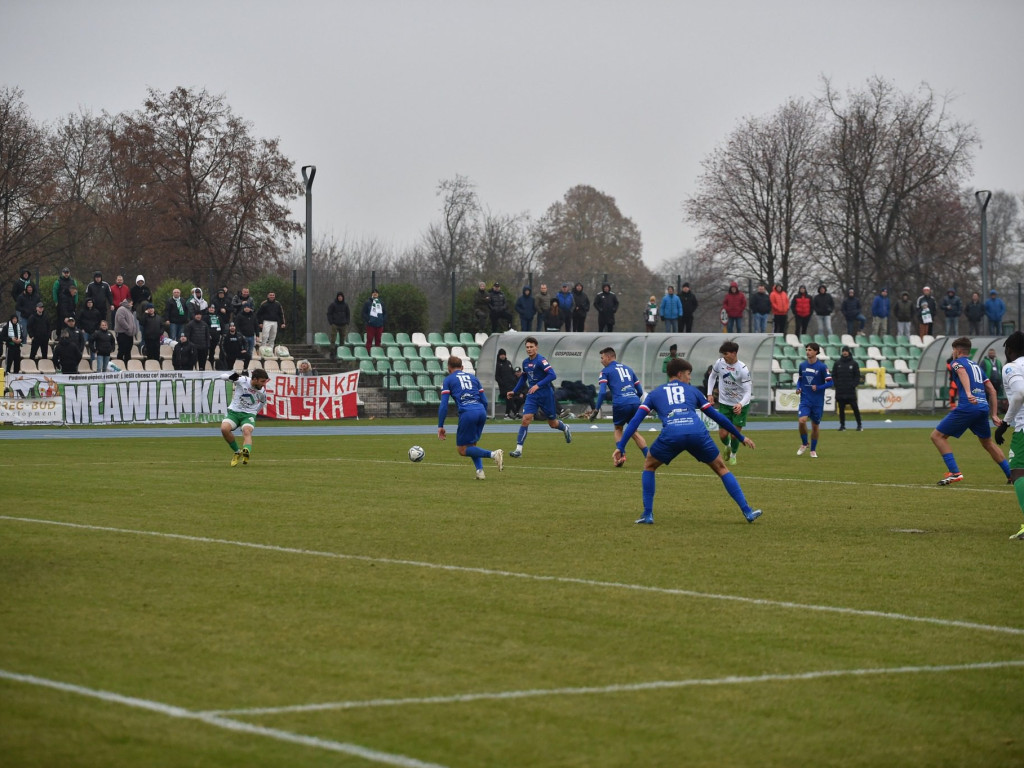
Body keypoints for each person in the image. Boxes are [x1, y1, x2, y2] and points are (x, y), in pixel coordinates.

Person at [614, 356, 761, 525]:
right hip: (696, 432)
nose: (690, 378)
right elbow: (717, 417)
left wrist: (621, 446)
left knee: (649, 465)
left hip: (672, 434)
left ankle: (648, 514)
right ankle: (748, 511)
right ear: (680, 374)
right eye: (689, 373)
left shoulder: (655, 393)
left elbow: (634, 422)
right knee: (721, 468)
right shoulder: (693, 391)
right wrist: (741, 437)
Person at [931, 336, 1010, 486]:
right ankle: (1010, 475)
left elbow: (962, 373)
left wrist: (968, 393)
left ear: (958, 350)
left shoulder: (956, 363)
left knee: (937, 436)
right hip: (982, 407)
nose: (953, 353)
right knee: (987, 443)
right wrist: (993, 414)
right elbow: (992, 390)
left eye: (953, 350)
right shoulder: (977, 367)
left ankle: (955, 472)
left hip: (968, 406)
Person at [438, 355, 504, 479]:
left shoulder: (448, 380)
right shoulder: (473, 378)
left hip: (468, 413)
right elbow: (484, 401)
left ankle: (494, 454)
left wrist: (440, 425)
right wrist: (481, 414)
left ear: (449, 368)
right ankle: (480, 472)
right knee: (472, 445)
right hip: (480, 411)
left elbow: (444, 405)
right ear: (462, 367)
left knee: (462, 450)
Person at [506, 336, 572, 458]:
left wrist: (538, 385)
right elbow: (524, 378)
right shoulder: (525, 362)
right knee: (526, 419)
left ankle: (564, 427)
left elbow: (552, 375)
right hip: (532, 395)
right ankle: (518, 450)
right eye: (527, 347)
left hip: (545, 395)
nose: (529, 349)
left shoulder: (541, 361)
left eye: (531, 347)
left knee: (552, 423)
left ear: (536, 347)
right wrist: (514, 391)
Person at [590, 347, 649, 458]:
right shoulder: (629, 369)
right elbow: (640, 391)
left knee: (618, 429)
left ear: (608, 357)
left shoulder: (605, 371)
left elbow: (602, 392)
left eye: (602, 358)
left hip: (621, 403)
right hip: (635, 402)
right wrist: (633, 399)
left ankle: (620, 456)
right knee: (633, 432)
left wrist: (596, 409)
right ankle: (648, 457)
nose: (601, 361)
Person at [994, 331, 1024, 539]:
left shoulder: (1012, 367)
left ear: (1010, 350)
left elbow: (1020, 393)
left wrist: (1005, 423)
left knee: (1018, 472)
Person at [706, 340, 752, 465]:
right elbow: (712, 376)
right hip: (724, 404)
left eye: (725, 354)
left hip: (740, 406)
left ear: (734, 353)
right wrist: (709, 393)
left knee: (734, 435)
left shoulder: (743, 370)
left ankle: (733, 454)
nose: (723, 356)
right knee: (722, 435)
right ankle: (727, 446)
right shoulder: (719, 363)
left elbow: (748, 392)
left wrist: (741, 404)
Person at [220, 368, 270, 466]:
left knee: (246, 431)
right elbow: (222, 376)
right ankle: (237, 452)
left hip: (248, 414)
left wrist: (255, 412)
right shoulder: (242, 380)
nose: (264, 384)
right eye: (262, 381)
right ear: (255, 379)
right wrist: (230, 377)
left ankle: (246, 451)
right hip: (234, 412)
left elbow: (263, 402)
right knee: (224, 429)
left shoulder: (262, 392)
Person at [796, 342, 833, 457]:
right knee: (802, 421)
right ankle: (804, 443)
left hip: (817, 402)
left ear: (816, 352)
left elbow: (830, 382)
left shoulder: (822, 367)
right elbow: (800, 380)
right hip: (805, 400)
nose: (808, 352)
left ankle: (813, 450)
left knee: (815, 426)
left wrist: (819, 387)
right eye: (807, 350)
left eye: (810, 350)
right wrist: (798, 388)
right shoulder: (802, 365)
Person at [832, 345, 862, 431]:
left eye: (846, 351)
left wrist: (853, 385)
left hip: (850, 390)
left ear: (849, 352)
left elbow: (857, 376)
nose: (844, 352)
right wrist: (837, 384)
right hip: (840, 390)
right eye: (843, 351)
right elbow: (834, 375)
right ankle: (842, 426)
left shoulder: (854, 364)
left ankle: (859, 425)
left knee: (855, 408)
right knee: (841, 409)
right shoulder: (837, 363)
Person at [494, 348, 521, 418]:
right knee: (509, 398)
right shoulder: (498, 364)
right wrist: (502, 384)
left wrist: (515, 381)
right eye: (501, 355)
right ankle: (516, 413)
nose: (503, 356)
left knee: (513, 398)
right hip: (504, 388)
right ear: (499, 356)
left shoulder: (508, 363)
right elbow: (497, 377)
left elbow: (512, 373)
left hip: (511, 386)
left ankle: (507, 414)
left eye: (504, 355)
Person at [77, 297, 103, 364]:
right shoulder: (82, 311)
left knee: (92, 348)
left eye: (91, 302)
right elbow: (78, 321)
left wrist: (97, 330)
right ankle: (78, 360)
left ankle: (92, 363)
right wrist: (81, 329)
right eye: (88, 302)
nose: (89, 304)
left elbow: (99, 321)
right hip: (84, 332)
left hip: (93, 332)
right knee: (81, 346)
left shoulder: (97, 312)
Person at [113, 299, 136, 366]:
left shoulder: (129, 310)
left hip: (129, 334)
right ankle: (119, 365)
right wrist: (128, 327)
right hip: (122, 333)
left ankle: (127, 366)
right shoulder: (121, 309)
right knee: (122, 350)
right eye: (131, 303)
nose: (132, 305)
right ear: (128, 303)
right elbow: (121, 320)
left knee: (128, 351)